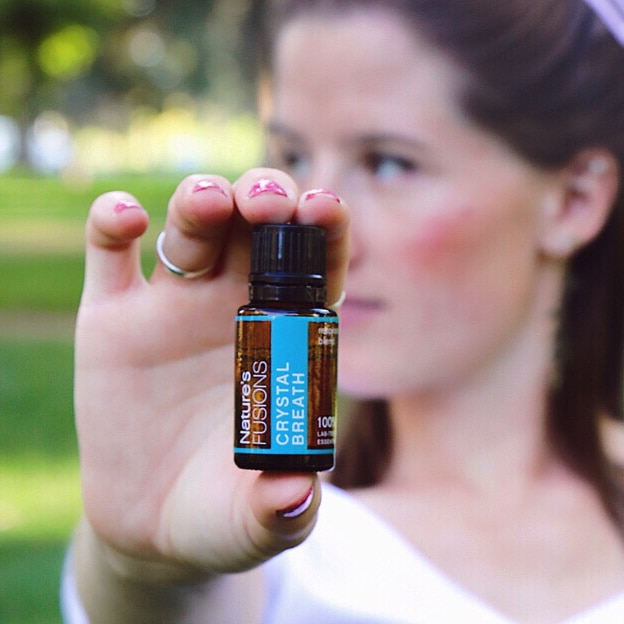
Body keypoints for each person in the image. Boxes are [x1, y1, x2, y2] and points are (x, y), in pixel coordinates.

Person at [62, 0, 624, 622]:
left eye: (389, 163)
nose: (314, 218)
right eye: (293, 156)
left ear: (574, 200)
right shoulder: (268, 530)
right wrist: (139, 568)